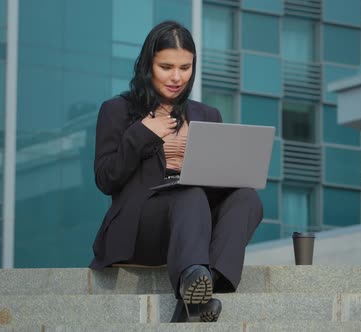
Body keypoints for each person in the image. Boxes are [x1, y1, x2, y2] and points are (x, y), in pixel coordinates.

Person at [89, 20, 263, 323]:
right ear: (147, 65)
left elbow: (220, 179)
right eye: (166, 67)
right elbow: (106, 179)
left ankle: (196, 294)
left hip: (194, 227)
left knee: (247, 199)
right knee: (189, 193)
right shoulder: (117, 111)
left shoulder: (207, 115)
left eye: (185, 68)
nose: (176, 77)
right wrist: (141, 133)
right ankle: (195, 287)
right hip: (142, 228)